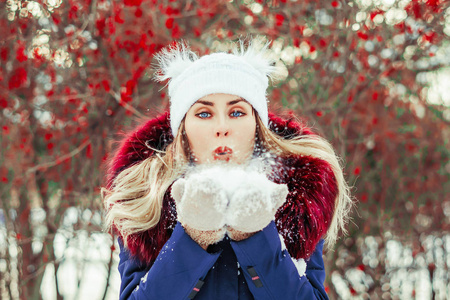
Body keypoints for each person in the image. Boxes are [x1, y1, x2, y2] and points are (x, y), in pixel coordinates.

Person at [102, 36, 352, 300]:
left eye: (236, 113)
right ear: (183, 130)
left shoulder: (295, 201)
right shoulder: (147, 203)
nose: (222, 127)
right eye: (204, 114)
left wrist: (256, 234)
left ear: (257, 126)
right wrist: (192, 236)